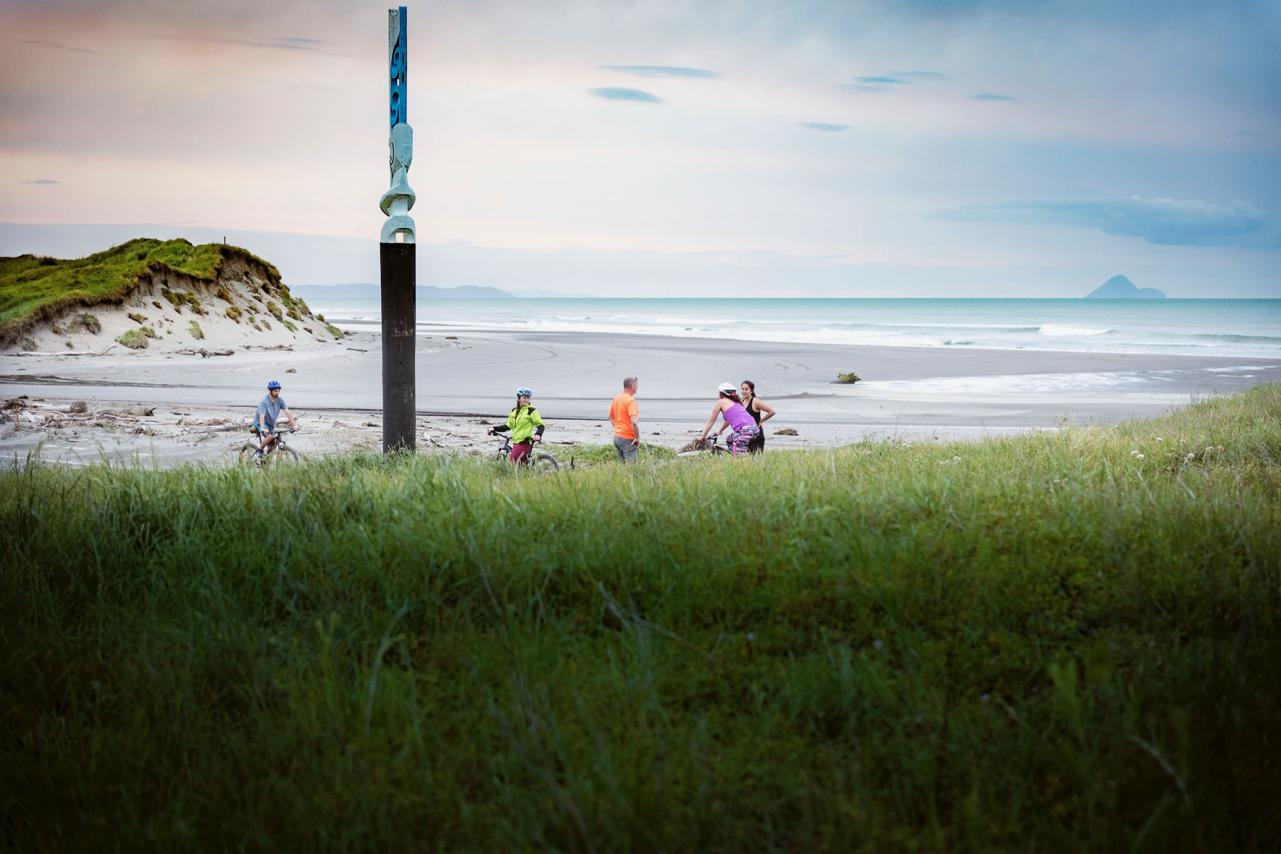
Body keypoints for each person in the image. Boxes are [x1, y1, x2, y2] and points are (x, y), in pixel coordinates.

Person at [698, 382, 759, 456]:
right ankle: (738, 455)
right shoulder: (736, 402)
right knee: (729, 439)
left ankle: (740, 458)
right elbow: (728, 420)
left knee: (740, 456)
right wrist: (720, 431)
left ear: (721, 393)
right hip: (755, 429)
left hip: (745, 431)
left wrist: (703, 437)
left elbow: (711, 421)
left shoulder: (720, 402)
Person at [489, 386, 546, 464]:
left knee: (513, 461)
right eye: (524, 397)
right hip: (516, 442)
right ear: (519, 398)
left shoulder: (531, 411)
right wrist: (495, 429)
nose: (526, 400)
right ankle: (526, 474)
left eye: (528, 398)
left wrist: (538, 434)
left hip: (525, 442)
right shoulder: (514, 411)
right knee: (521, 465)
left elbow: (541, 425)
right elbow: (508, 426)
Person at [717, 379, 775, 453]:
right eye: (742, 389)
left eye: (746, 389)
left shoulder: (755, 401)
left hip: (756, 435)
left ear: (751, 391)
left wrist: (761, 421)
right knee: (743, 457)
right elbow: (729, 419)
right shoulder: (741, 401)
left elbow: (771, 412)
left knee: (756, 459)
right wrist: (720, 430)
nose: (744, 391)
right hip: (744, 434)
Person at [254, 379, 297, 458]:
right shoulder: (264, 402)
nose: (277, 393)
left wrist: (294, 425)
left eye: (278, 391)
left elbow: (287, 412)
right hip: (261, 423)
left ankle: (265, 465)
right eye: (275, 391)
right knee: (271, 436)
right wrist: (263, 428)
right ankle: (259, 450)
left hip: (271, 425)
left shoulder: (280, 400)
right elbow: (262, 416)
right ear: (270, 391)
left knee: (271, 447)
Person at [609, 376, 641, 463]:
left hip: (617, 437)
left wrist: (618, 429)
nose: (638, 387)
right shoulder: (631, 401)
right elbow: (634, 422)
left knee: (621, 466)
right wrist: (637, 438)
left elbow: (611, 417)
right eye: (636, 384)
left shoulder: (617, 398)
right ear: (632, 385)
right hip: (628, 439)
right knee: (631, 468)